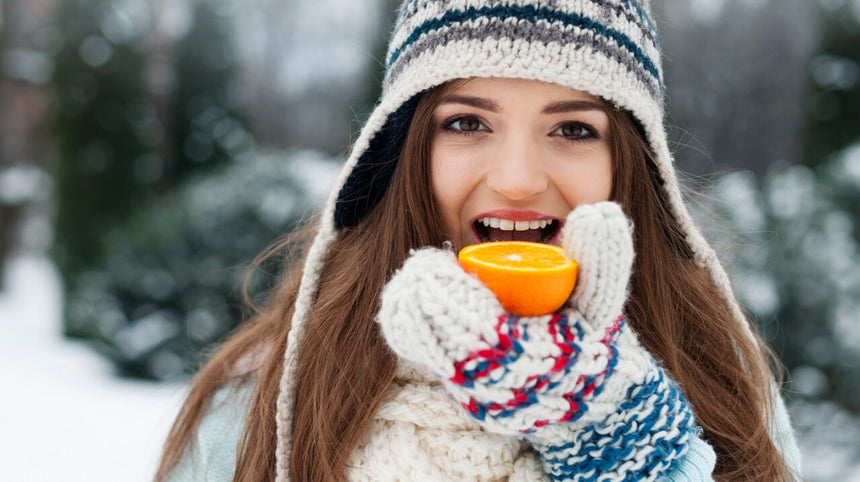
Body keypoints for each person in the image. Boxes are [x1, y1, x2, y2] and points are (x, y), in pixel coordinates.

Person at [156, 1, 803, 481]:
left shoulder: (720, 388)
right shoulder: (259, 408)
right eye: (467, 122)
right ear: (406, 150)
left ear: (632, 164)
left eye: (573, 130)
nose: (517, 180)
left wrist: (631, 443)